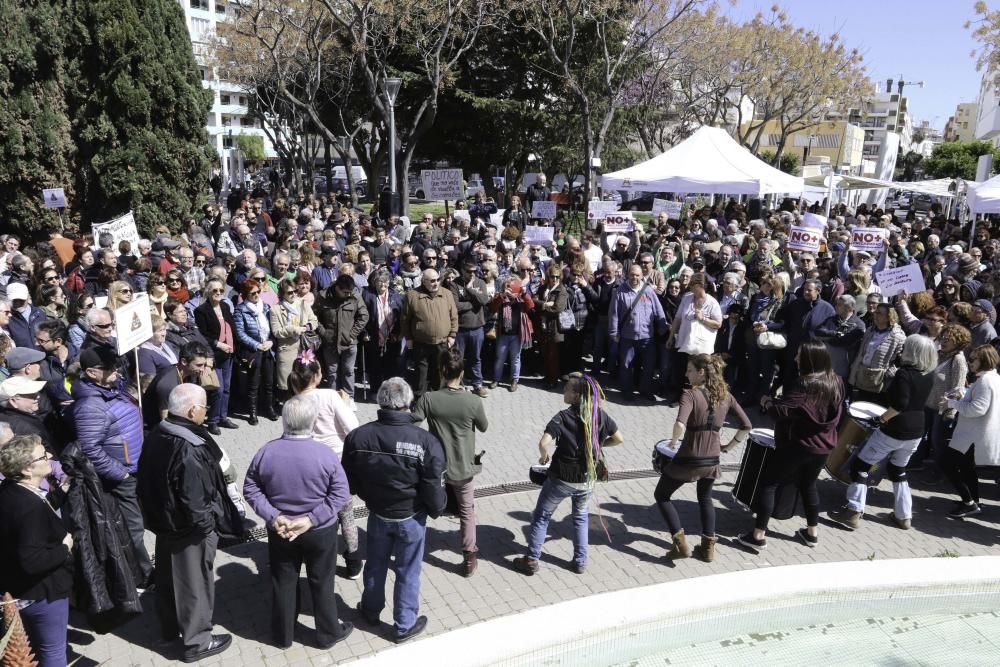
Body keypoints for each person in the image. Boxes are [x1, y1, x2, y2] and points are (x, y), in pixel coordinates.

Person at [137, 383, 240, 663]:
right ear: (193, 410)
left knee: (168, 580)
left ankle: (170, 628)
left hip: (164, 523)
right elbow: (195, 499)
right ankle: (197, 642)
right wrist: (207, 527)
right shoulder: (190, 446)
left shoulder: (158, 432)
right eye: (205, 407)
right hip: (189, 530)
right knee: (194, 584)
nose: (207, 411)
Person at [243, 396, 354, 649]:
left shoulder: (266, 451)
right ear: (313, 422)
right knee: (322, 581)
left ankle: (282, 636)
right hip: (320, 531)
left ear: (284, 421)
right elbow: (340, 495)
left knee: (283, 581)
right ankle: (327, 634)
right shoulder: (325, 455)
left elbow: (251, 488)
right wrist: (310, 520)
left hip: (280, 530)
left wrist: (273, 516)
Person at [341, 377, 447, 644]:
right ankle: (404, 625)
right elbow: (434, 487)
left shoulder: (358, 437)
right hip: (411, 516)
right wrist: (438, 509)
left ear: (380, 401)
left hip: (377, 514)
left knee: (375, 565)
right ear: (408, 403)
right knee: (408, 571)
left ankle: (370, 610)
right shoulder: (426, 442)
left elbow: (349, 482)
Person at [738, 341, 844, 551]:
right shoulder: (837, 381)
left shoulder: (803, 384)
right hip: (824, 446)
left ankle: (758, 535)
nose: (795, 359)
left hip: (798, 445)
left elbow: (781, 413)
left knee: (770, 483)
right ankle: (811, 533)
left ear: (810, 360)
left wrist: (768, 403)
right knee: (809, 485)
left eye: (799, 356)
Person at [513, 374, 623, 575]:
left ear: (576, 395)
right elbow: (619, 439)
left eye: (566, 390)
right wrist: (599, 445)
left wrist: (543, 458)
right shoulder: (600, 416)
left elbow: (543, 443)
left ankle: (531, 560)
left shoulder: (563, 417)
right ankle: (580, 562)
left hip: (561, 479)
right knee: (580, 517)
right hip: (587, 480)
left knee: (542, 516)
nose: (563, 392)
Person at [830, 334, 938, 531]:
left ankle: (853, 511)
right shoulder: (930, 374)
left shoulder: (904, 373)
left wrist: (881, 419)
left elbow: (900, 404)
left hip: (895, 429)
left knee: (860, 467)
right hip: (917, 430)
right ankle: (904, 516)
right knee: (899, 471)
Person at [69, 345, 153, 587]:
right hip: (122, 475)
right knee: (133, 529)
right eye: (109, 368)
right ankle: (142, 575)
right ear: (92, 373)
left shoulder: (109, 387)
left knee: (138, 522)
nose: (116, 371)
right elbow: (90, 449)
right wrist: (121, 474)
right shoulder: (90, 406)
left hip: (135, 467)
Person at [656, 355, 751, 562]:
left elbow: (680, 424)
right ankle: (708, 549)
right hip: (712, 459)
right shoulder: (726, 396)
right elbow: (747, 425)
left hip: (689, 458)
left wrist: (673, 442)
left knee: (662, 495)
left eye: (689, 370)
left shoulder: (690, 394)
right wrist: (729, 446)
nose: (686, 374)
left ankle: (680, 544)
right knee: (705, 498)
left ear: (701, 372)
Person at [413, 347, 489, 577]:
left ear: (441, 371)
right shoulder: (473, 401)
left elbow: (414, 423)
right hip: (464, 467)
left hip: (436, 469)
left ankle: (414, 549)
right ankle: (469, 558)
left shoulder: (429, 398)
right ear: (462, 372)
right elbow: (484, 426)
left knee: (422, 507)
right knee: (467, 511)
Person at [0, 434, 74, 667]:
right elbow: (32, 560)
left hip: (15, 589)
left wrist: (61, 492)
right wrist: (65, 548)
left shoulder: (9, 490)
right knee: (52, 653)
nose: (49, 457)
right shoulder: (29, 507)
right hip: (41, 594)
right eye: (43, 456)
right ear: (27, 470)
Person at [286, 355, 363, 578]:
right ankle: (353, 562)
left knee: (317, 513)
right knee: (346, 514)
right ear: (318, 376)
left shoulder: (293, 403)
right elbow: (353, 429)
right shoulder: (330, 396)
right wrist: (347, 404)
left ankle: (317, 558)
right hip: (338, 464)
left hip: (308, 467)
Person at [941, 345, 1000, 518]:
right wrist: (963, 396)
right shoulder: (993, 378)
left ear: (985, 360)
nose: (970, 362)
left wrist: (952, 404)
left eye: (973, 359)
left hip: (973, 436)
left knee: (947, 463)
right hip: (975, 435)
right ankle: (973, 500)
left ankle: (969, 503)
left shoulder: (985, 381)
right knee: (966, 467)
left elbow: (977, 409)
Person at [401, 269, 458, 399]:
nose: (436, 283)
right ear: (424, 281)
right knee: (421, 373)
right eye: (432, 280)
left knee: (439, 372)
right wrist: (408, 337)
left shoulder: (447, 294)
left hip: (442, 343)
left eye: (438, 279)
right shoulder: (412, 295)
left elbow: (454, 316)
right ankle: (419, 402)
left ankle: (437, 400)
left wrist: (452, 334)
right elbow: (405, 319)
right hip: (421, 343)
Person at [195, 278, 239, 432]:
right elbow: (201, 335)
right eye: (215, 290)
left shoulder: (225, 306)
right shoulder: (201, 311)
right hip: (214, 354)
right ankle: (212, 420)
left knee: (226, 387)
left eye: (221, 290)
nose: (218, 293)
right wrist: (218, 344)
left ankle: (223, 417)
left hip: (229, 353)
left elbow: (232, 328)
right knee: (217, 388)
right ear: (208, 291)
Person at [315, 274, 367, 401]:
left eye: (350, 292)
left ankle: (349, 399)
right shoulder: (323, 296)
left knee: (348, 371)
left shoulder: (355, 295)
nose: (348, 294)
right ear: (337, 288)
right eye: (345, 292)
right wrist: (323, 332)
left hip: (349, 342)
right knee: (332, 372)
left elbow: (364, 316)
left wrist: (352, 334)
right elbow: (314, 316)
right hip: (330, 342)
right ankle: (332, 400)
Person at [233, 278, 277, 424]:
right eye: (253, 293)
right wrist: (256, 345)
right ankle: (252, 412)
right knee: (254, 383)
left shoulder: (266, 307)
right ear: (246, 294)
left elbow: (273, 326)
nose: (257, 295)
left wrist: (271, 341)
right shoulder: (240, 310)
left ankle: (269, 408)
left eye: (258, 291)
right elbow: (240, 333)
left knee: (269, 382)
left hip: (268, 348)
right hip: (253, 350)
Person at [270, 278, 318, 400]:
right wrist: (292, 329)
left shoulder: (303, 304)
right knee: (288, 385)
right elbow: (276, 332)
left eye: (295, 291)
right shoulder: (275, 309)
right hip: (287, 349)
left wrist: (306, 327)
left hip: (304, 348)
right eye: (290, 292)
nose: (294, 294)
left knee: (305, 381)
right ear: (282, 294)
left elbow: (314, 321)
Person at [848, 303, 906, 402]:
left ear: (889, 317)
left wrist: (890, 373)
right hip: (862, 376)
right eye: (875, 312)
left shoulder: (898, 336)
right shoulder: (870, 330)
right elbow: (861, 353)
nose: (875, 314)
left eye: (879, 313)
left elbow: (900, 360)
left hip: (879, 382)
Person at [488, 276, 534, 391]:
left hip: (517, 335)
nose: (510, 288)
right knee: (499, 358)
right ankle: (496, 379)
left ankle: (514, 380)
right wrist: (503, 295)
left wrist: (524, 294)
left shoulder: (520, 299)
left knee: (516, 358)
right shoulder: (501, 297)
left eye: (512, 286)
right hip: (503, 334)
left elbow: (531, 306)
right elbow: (492, 307)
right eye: (508, 286)